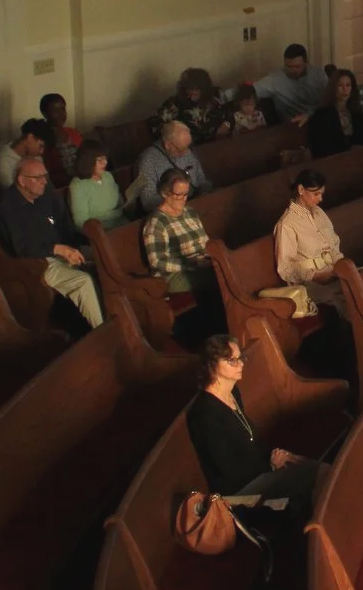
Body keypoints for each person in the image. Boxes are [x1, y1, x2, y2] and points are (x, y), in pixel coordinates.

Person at [185, 333, 325, 513]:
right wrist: (271, 466)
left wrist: (277, 455)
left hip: (259, 472)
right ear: (211, 365)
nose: (241, 364)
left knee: (316, 468)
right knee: (317, 477)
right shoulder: (203, 414)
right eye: (231, 361)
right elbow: (227, 470)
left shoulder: (233, 393)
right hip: (239, 492)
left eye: (240, 358)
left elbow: (251, 438)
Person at [0, 154, 104, 330]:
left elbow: (66, 228)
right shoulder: (7, 205)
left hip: (60, 252)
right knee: (83, 282)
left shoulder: (46, 196)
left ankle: (118, 316)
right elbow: (22, 248)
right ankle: (103, 331)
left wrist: (86, 244)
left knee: (104, 258)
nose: (45, 181)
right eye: (39, 178)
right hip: (34, 263)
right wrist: (60, 250)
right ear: (22, 180)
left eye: (45, 176)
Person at [140, 170, 226, 344]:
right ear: (165, 192)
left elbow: (205, 242)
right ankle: (216, 331)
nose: (183, 199)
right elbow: (157, 261)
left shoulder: (190, 212)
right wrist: (190, 264)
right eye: (178, 195)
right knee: (213, 280)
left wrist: (211, 258)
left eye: (186, 194)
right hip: (173, 275)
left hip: (199, 264)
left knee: (225, 271)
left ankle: (225, 326)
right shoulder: (157, 222)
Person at [272, 169, 347, 315]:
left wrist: (343, 267)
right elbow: (286, 268)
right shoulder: (287, 224)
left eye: (322, 194)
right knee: (341, 294)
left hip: (331, 273)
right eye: (316, 194)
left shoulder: (319, 213)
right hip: (308, 284)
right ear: (301, 190)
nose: (320, 199)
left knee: (359, 282)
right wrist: (314, 276)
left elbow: (333, 246)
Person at [127, 120, 212, 214]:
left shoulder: (186, 149)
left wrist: (205, 193)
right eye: (182, 149)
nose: (187, 153)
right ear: (168, 145)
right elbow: (148, 201)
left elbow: (202, 180)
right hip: (168, 213)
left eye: (189, 146)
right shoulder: (147, 161)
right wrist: (177, 201)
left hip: (195, 205)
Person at [304, 67, 363, 159]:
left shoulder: (356, 113)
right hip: (334, 161)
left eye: (348, 85)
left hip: (357, 159)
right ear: (333, 88)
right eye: (340, 86)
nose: (345, 89)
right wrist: (349, 149)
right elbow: (320, 147)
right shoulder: (321, 115)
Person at [154, 67, 230, 144]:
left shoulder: (217, 95)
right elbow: (156, 124)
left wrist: (226, 125)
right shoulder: (175, 103)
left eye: (195, 94)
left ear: (204, 90)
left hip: (220, 142)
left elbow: (230, 112)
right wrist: (175, 134)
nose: (192, 98)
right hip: (190, 147)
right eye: (189, 94)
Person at [257, 42, 326, 124]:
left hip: (318, 119)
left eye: (297, 66)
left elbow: (330, 100)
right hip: (292, 125)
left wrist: (310, 115)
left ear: (306, 63)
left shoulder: (319, 75)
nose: (293, 70)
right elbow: (252, 91)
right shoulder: (276, 79)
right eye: (289, 67)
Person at [67, 139, 127, 231]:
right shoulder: (78, 186)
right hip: (102, 234)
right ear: (87, 162)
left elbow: (120, 204)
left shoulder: (108, 176)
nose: (105, 162)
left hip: (123, 224)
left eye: (105, 158)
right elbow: (81, 223)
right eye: (100, 160)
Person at [39, 92, 83, 174]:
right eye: (55, 111)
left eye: (63, 109)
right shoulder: (41, 139)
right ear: (44, 114)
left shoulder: (74, 133)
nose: (61, 114)